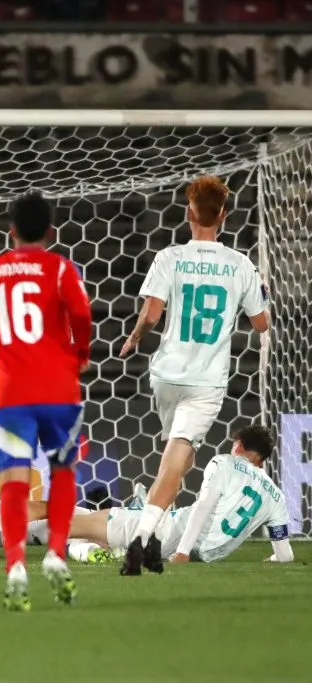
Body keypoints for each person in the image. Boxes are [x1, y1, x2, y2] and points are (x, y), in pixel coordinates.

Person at [118, 176, 270, 576]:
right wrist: (261, 290)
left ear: (189, 212)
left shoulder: (169, 257)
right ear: (223, 215)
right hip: (205, 380)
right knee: (175, 461)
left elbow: (152, 315)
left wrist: (135, 337)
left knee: (182, 458)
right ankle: (141, 539)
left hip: (166, 375)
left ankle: (154, 538)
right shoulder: (240, 264)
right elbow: (261, 323)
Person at [0, 191, 92, 611]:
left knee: (15, 483)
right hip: (59, 390)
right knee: (63, 472)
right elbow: (82, 316)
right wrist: (81, 354)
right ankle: (56, 553)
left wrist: (6, 335)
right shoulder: (61, 269)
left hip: (11, 395)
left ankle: (16, 566)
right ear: (50, 231)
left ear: (11, 230)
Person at [68, 425, 293, 565]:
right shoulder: (276, 497)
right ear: (262, 460)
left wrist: (182, 553)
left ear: (239, 445)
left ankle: (95, 544)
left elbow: (204, 506)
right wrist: (274, 559)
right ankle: (102, 546)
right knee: (86, 523)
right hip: (198, 553)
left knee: (71, 528)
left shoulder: (225, 463)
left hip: (168, 531)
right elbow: (285, 556)